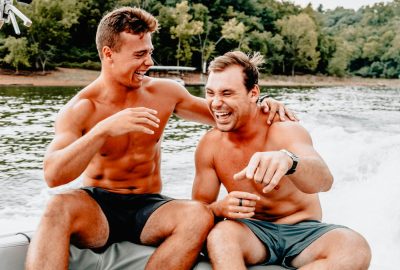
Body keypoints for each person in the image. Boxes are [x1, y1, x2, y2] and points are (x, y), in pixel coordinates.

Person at [25, 7, 295, 270]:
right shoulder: (81, 108)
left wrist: (261, 103)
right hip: (98, 207)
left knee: (199, 215)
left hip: (149, 207)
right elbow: (53, 175)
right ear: (109, 54)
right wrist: (103, 130)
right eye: (140, 54)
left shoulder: (165, 93)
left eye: (150, 52)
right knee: (57, 207)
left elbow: (225, 113)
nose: (150, 63)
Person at [192, 51, 372, 269]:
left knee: (354, 247)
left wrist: (289, 161)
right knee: (220, 236)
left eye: (227, 93)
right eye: (210, 93)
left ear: (253, 93)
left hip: (303, 230)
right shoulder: (210, 144)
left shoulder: (283, 128)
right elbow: (199, 209)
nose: (216, 103)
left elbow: (324, 181)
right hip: (250, 232)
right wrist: (219, 208)